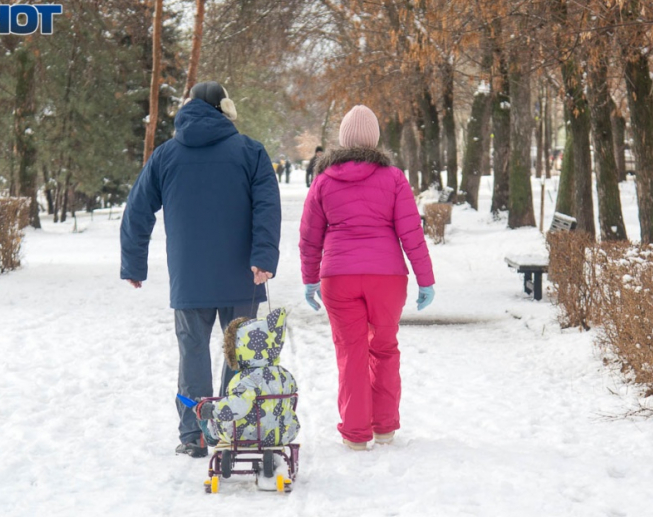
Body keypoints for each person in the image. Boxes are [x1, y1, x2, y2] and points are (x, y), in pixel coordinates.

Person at [121, 81, 281, 458]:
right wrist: (263, 257)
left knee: (193, 351)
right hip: (243, 275)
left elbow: (137, 209)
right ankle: (232, 425)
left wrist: (134, 263)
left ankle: (194, 433)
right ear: (224, 109)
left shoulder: (166, 155)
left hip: (189, 278)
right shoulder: (250, 151)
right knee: (240, 353)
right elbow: (267, 208)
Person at [298, 105, 435, 451]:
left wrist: (310, 278)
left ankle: (355, 435)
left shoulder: (323, 180)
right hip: (386, 278)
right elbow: (411, 233)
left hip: (339, 277)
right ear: (375, 140)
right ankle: (385, 428)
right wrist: (425, 279)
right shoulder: (393, 178)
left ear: (342, 139)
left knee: (351, 353)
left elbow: (310, 237)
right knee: (385, 349)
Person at [193, 307, 300, 447]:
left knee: (219, 416)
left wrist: (213, 411)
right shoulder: (285, 375)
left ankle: (210, 433)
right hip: (282, 433)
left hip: (246, 435)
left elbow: (238, 405)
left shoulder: (247, 379)